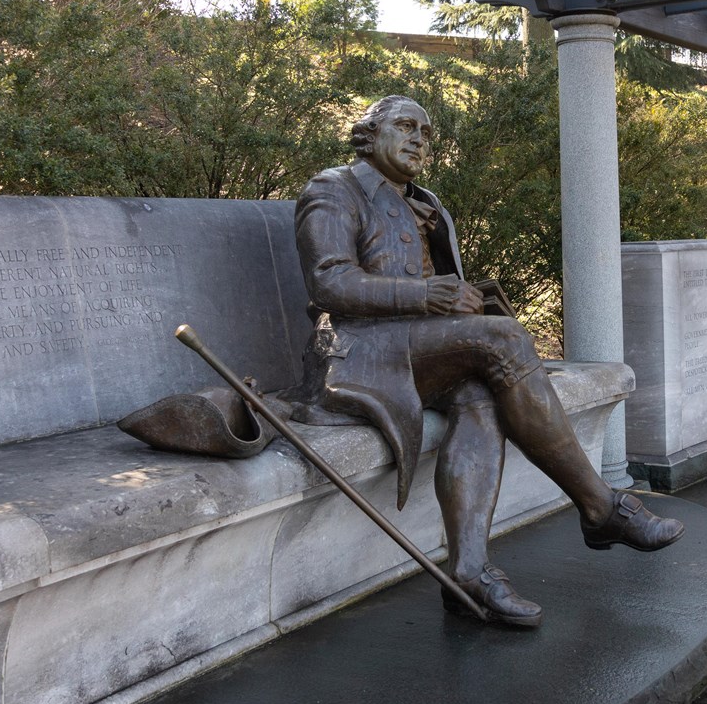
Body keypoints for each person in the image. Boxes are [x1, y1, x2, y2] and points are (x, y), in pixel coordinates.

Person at [279, 95, 683, 628]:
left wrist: (464, 296)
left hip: (417, 352)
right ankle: (601, 507)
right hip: (358, 354)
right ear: (368, 134)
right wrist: (428, 297)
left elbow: (442, 295)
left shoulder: (428, 205)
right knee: (503, 341)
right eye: (405, 126)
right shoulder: (334, 190)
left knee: (479, 396)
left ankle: (468, 571)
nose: (420, 139)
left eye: (427, 132)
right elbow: (329, 282)